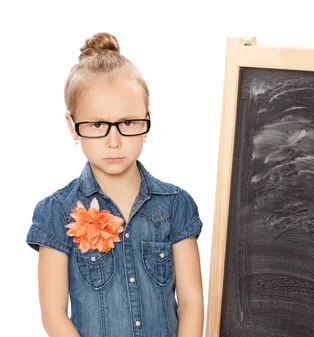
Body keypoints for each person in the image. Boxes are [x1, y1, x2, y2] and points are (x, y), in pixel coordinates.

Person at [25, 32, 204, 337]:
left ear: (147, 120)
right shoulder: (55, 212)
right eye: (96, 125)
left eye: (128, 123)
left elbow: (190, 301)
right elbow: (53, 314)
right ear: (73, 126)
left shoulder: (176, 205)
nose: (114, 140)